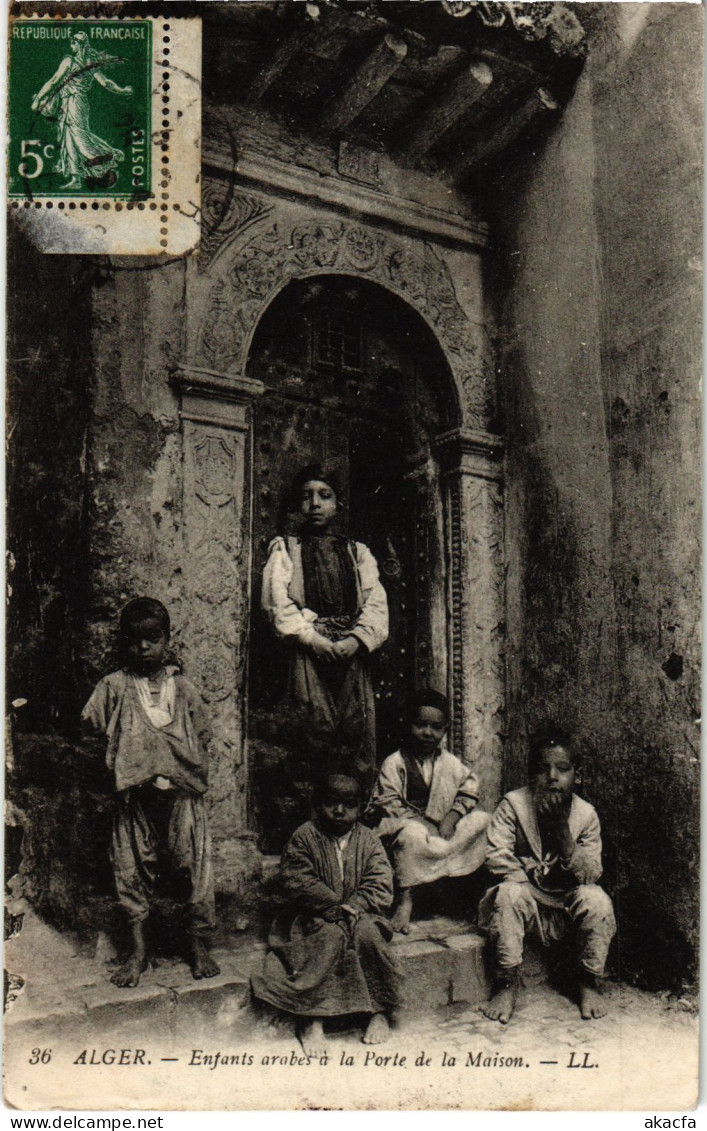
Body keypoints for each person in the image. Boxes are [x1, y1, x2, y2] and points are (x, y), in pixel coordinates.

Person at [81, 597, 220, 988]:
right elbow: (92, 725)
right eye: (134, 640)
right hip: (133, 799)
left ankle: (196, 944)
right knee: (130, 868)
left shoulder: (184, 689)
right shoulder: (114, 686)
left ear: (168, 639)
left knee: (193, 865)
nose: (143, 648)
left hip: (181, 798)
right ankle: (138, 951)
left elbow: (203, 734)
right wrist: (125, 760)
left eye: (152, 639)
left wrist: (174, 765)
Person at [251, 773, 399, 1057]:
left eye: (349, 804)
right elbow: (296, 878)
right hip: (311, 917)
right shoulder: (305, 836)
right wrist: (331, 906)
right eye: (331, 803)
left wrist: (355, 905)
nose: (340, 811)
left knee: (369, 936)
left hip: (359, 915)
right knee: (327, 937)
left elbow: (380, 880)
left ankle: (378, 1010)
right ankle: (312, 1018)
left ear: (362, 806)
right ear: (317, 805)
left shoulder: (368, 840)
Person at [261, 464, 388, 788]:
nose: (315, 504)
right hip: (308, 655)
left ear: (338, 505)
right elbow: (278, 602)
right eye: (306, 497)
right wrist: (313, 640)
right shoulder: (286, 549)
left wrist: (355, 641)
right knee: (310, 731)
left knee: (353, 732)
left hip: (350, 655)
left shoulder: (356, 552)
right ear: (297, 506)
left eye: (324, 496)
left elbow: (375, 603)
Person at [479, 727, 616, 1023]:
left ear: (576, 776)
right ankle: (507, 983)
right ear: (531, 775)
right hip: (527, 901)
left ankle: (587, 981)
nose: (552, 777)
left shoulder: (586, 814)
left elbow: (591, 872)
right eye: (542, 769)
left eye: (562, 769)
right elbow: (496, 856)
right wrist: (529, 882)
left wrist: (563, 835)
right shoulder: (514, 805)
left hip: (565, 907)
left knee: (597, 901)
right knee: (507, 894)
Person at [367, 689, 489, 934]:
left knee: (482, 820)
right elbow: (389, 802)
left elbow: (469, 788)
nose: (427, 733)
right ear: (407, 724)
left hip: (442, 830)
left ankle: (468, 892)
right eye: (420, 725)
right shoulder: (395, 763)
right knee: (411, 834)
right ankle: (406, 898)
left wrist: (452, 818)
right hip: (407, 828)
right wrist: (424, 824)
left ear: (445, 731)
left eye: (436, 727)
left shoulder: (449, 762)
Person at [31, 31, 132, 189]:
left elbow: (53, 81)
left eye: (73, 43)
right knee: (69, 138)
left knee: (79, 136)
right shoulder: (90, 61)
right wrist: (122, 90)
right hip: (73, 102)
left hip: (74, 102)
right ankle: (75, 179)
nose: (71, 46)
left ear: (77, 44)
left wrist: (38, 99)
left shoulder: (69, 60)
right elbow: (105, 83)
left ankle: (108, 155)